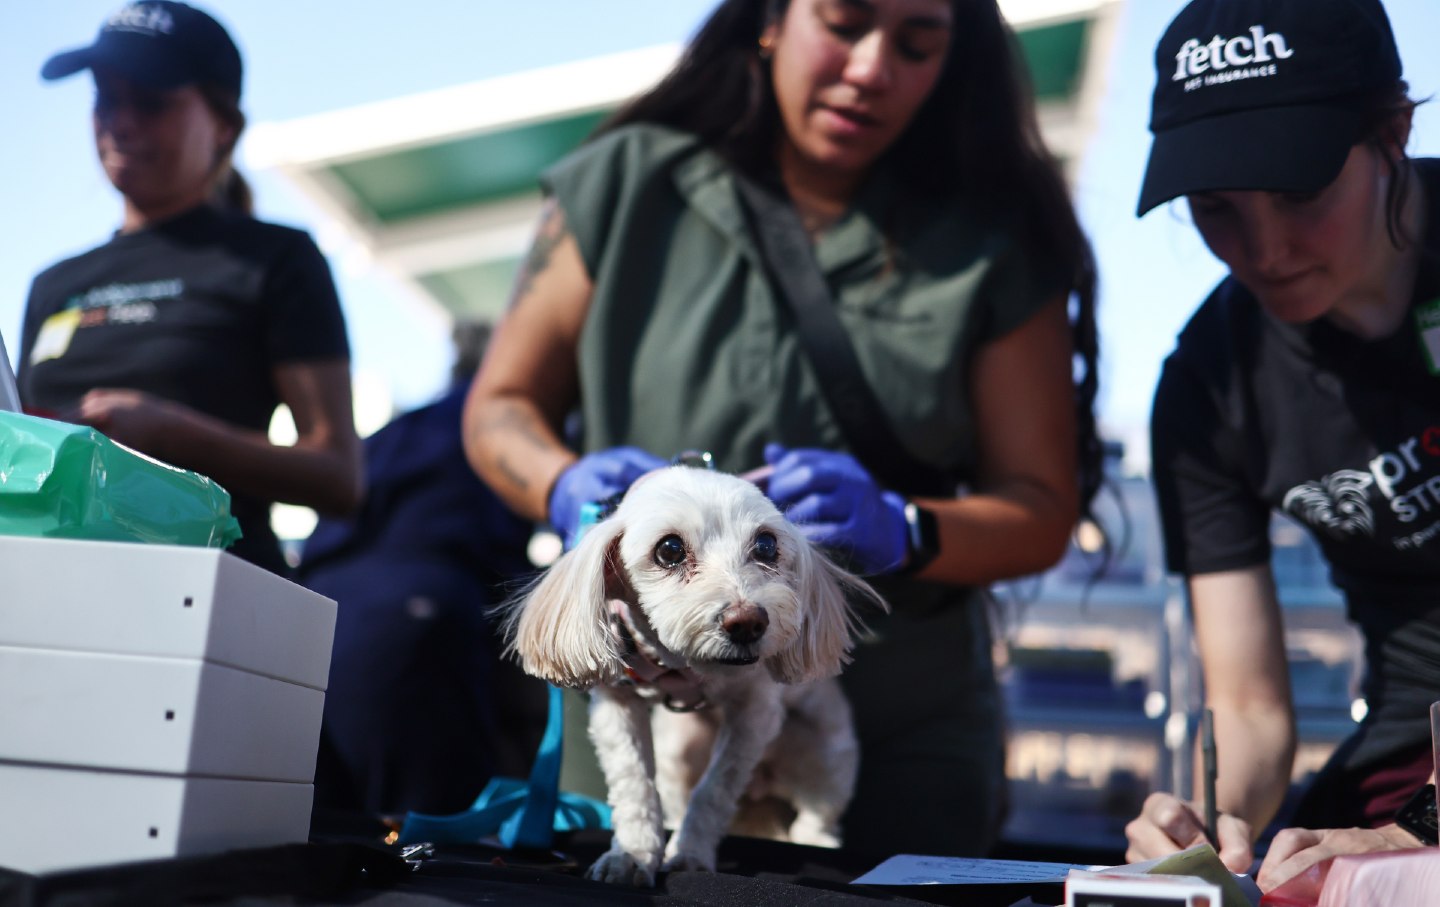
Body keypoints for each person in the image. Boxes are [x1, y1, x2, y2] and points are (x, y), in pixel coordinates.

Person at [463, 0, 1102, 857]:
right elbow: (498, 408)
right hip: (647, 718)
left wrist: (906, 526)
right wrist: (562, 480)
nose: (874, 67)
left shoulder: (996, 235)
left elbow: (1041, 507)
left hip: (898, 734)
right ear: (770, 18)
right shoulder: (623, 183)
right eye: (844, 23)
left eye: (917, 44)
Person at [1125, 0, 1440, 888]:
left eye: (1300, 191)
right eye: (1216, 207)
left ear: (1393, 130)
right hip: (1405, 747)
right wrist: (1212, 825)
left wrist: (1416, 833)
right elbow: (1253, 708)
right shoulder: (1207, 383)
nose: (1263, 249)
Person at [18, 1, 362, 575]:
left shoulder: (276, 258)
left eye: (151, 101)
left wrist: (172, 432)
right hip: (52, 585)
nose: (121, 121)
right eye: (106, 96)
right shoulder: (53, 284)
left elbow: (340, 476)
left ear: (224, 126)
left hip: (210, 593)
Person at [297, 323, 544, 816]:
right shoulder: (502, 437)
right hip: (414, 625)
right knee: (428, 855)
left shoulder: (403, 427)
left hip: (312, 624)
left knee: (322, 843)